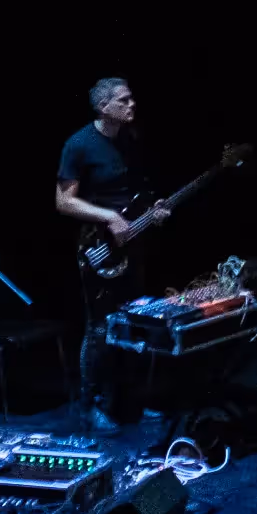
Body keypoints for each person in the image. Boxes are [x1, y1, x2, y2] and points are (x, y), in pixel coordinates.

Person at [57, 78, 158, 432]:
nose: (132, 105)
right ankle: (91, 405)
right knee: (100, 327)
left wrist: (153, 209)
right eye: (123, 100)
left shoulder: (130, 139)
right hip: (97, 247)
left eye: (132, 99)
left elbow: (133, 191)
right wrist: (109, 217)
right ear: (103, 107)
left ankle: (129, 402)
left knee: (135, 319)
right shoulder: (79, 145)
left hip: (132, 242)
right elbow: (64, 201)